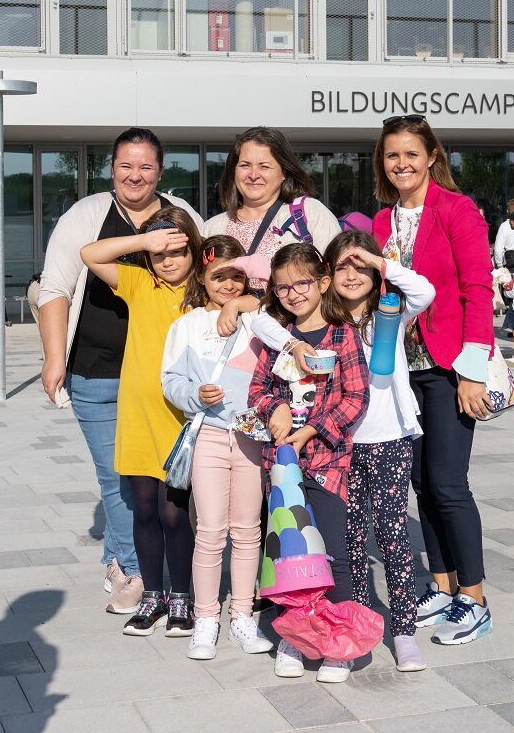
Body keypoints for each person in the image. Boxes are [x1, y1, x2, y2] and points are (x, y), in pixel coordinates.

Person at [36, 128, 202, 615]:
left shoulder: (180, 215)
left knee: (161, 480)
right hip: (97, 370)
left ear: (160, 170)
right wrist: (53, 357)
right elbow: (56, 288)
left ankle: (133, 558)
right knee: (116, 478)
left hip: (165, 379)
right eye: (126, 165)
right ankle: (132, 571)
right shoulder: (86, 215)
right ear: (112, 167)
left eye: (146, 166)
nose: (136, 175)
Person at [260, 230, 436, 673]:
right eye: (342, 265)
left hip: (381, 440)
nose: (351, 273)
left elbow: (424, 290)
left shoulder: (386, 312)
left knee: (392, 540)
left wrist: (376, 261)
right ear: (328, 276)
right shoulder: (300, 330)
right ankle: (328, 630)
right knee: (337, 548)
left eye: (361, 265)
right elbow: (260, 326)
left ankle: (404, 631)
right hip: (329, 455)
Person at [371, 114, 495, 646]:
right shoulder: (382, 221)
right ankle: (442, 587)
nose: (401, 164)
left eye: (411, 154)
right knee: (420, 482)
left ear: (431, 157)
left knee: (448, 484)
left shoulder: (456, 210)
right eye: (392, 155)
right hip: (403, 369)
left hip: (447, 368)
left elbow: (478, 289)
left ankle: (475, 597)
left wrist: (471, 370)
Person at [248, 243, 372, 682]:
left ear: (321, 282)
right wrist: (273, 410)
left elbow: (357, 397)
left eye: (301, 283)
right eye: (282, 288)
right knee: (289, 558)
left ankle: (339, 644)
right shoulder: (277, 336)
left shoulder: (343, 335)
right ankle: (296, 638)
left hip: (327, 464)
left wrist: (311, 430)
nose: (293, 293)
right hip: (282, 467)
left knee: (332, 555)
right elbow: (258, 390)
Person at [80, 207, 205, 638]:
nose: (168, 261)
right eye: (160, 253)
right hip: (137, 416)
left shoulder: (205, 291)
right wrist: (141, 243)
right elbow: (90, 254)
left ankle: (182, 598)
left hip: (181, 420)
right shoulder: (138, 283)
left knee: (175, 514)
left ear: (195, 248)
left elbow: (248, 284)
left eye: (177, 250)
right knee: (145, 510)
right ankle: (153, 595)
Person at [159, 235, 272, 662]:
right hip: (206, 434)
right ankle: (206, 619)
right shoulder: (185, 326)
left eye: (235, 276)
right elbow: (170, 379)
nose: (227, 284)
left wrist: (241, 304)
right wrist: (193, 395)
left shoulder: (259, 318)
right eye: (217, 276)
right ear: (201, 278)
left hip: (250, 436)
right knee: (209, 531)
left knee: (247, 531)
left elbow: (270, 274)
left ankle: (242, 614)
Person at [204, 126, 340, 291]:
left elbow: (337, 276)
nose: (253, 175)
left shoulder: (309, 213)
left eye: (264, 166)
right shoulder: (212, 228)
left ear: (284, 172)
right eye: (245, 165)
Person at [492, 198, 514, 267]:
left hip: (510, 264)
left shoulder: (504, 226)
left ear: (507, 211)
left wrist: (500, 265)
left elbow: (498, 250)